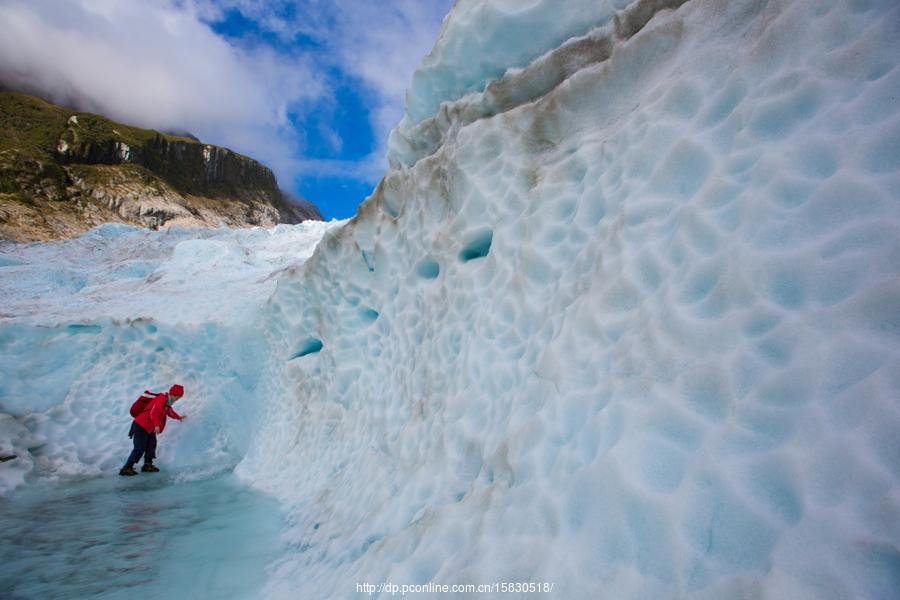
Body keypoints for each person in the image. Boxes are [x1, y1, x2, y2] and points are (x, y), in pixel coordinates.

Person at [119, 384, 187, 476]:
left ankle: (147, 465)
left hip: (149, 427)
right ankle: (127, 467)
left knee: (151, 444)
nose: (178, 399)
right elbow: (154, 413)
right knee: (139, 447)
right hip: (140, 425)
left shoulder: (167, 402)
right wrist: (156, 425)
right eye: (178, 397)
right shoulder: (161, 399)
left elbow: (169, 412)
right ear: (174, 395)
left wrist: (179, 417)